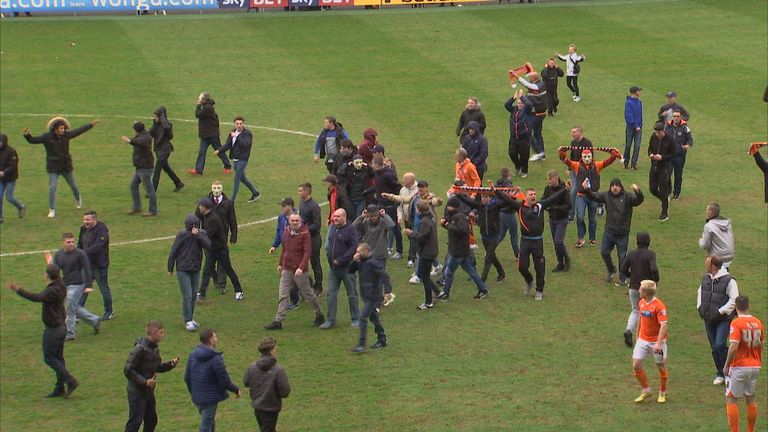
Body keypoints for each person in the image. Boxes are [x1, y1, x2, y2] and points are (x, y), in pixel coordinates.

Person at [7, 264, 79, 398]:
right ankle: (59, 387)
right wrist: (49, 261)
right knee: (58, 358)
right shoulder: (61, 284)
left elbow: (35, 297)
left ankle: (71, 381)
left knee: (50, 358)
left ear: (47, 275)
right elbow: (55, 272)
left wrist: (18, 289)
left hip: (53, 330)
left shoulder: (51, 292)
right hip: (61, 327)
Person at [494, 184, 568, 301]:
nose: (533, 196)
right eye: (531, 195)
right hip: (525, 241)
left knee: (540, 267)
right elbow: (507, 199)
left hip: (537, 241)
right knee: (522, 267)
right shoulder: (519, 206)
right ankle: (529, 281)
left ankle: (539, 290)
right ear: (526, 197)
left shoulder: (540, 205)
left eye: (534, 194)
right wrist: (496, 191)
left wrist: (565, 189)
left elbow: (553, 198)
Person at [23, 116, 99, 218]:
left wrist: (91, 125)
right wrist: (27, 135)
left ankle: (78, 198)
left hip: (66, 166)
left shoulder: (66, 135)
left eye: (64, 128)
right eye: (61, 128)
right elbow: (33, 140)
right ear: (55, 129)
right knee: (52, 188)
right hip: (53, 167)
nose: (63, 130)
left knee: (73, 186)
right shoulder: (47, 137)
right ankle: (52, 209)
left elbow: (79, 131)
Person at [264, 213, 325, 330]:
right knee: (282, 294)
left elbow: (307, 252)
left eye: (297, 220)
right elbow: (285, 248)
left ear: (300, 221)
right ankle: (278, 320)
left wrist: (301, 268)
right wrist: (281, 263)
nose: (295, 222)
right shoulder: (287, 231)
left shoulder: (304, 233)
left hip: (299, 271)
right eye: (293, 220)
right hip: (287, 269)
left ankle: (319, 314)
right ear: (289, 221)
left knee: (308, 294)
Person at [583, 179, 644, 284]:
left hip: (622, 233)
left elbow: (639, 200)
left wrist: (638, 191)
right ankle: (611, 270)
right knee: (604, 251)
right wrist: (587, 189)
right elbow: (594, 196)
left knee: (622, 257)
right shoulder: (606, 196)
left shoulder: (627, 197)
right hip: (609, 232)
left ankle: (623, 277)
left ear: (621, 187)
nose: (614, 188)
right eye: (612, 186)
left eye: (617, 186)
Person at [558, 146, 619, 247]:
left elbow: (608, 162)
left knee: (593, 218)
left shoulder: (597, 165)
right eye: (585, 156)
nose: (587, 159)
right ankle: (581, 238)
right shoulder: (577, 165)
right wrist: (561, 152)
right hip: (580, 196)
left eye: (589, 156)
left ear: (592, 157)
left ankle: (592, 238)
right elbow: (564, 160)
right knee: (580, 217)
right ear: (582, 157)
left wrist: (614, 155)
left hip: (593, 196)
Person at [124, 320, 179, 432]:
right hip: (137, 392)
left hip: (148, 391)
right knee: (135, 422)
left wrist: (170, 365)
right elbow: (128, 369)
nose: (163, 335)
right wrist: (145, 382)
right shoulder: (139, 349)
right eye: (161, 332)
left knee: (151, 420)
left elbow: (155, 367)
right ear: (153, 333)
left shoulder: (154, 349)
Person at [184, 329, 240, 432]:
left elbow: (187, 377)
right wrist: (236, 390)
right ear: (210, 340)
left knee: (209, 421)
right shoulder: (215, 359)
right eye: (215, 337)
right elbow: (224, 380)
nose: (216, 339)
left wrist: (193, 392)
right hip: (210, 399)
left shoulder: (193, 355)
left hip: (197, 397)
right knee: (206, 425)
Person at [435, 196, 488, 301]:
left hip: (458, 250)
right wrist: (445, 224)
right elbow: (452, 227)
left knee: (449, 272)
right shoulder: (454, 216)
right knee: (471, 271)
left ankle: (446, 293)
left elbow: (462, 230)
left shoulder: (459, 217)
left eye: (449, 206)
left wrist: (447, 224)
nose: (447, 208)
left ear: (454, 207)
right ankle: (483, 289)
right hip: (460, 249)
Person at [48, 232, 100, 341]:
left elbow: (87, 268)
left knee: (69, 309)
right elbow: (55, 271)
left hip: (78, 284)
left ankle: (70, 334)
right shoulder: (59, 254)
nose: (71, 244)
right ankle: (94, 320)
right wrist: (50, 264)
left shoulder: (80, 254)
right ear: (63, 243)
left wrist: (88, 285)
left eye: (72, 242)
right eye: (68, 242)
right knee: (74, 307)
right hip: (66, 285)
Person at [697, 255, 739, 386]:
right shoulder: (706, 278)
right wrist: (700, 307)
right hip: (708, 318)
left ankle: (730, 370)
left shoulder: (729, 281)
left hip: (723, 319)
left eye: (707, 263)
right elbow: (700, 292)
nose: (705, 265)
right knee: (714, 347)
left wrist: (720, 311)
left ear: (713, 266)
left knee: (719, 344)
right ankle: (721, 372)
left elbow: (734, 300)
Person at [723, 295, 763, 432]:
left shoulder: (736, 323)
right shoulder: (758, 323)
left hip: (740, 365)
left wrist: (727, 364)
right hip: (755, 366)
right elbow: (761, 344)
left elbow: (733, 347)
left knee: (731, 398)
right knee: (750, 398)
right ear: (748, 306)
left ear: (735, 307)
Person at [168, 214, 210, 331]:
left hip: (195, 268)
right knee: (188, 295)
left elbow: (208, 245)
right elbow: (174, 251)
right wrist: (170, 268)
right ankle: (187, 320)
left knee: (192, 295)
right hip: (183, 269)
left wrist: (198, 236)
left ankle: (190, 318)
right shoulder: (181, 235)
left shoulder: (201, 234)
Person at [196, 198, 244, 301]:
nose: (199, 207)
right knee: (206, 271)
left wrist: (198, 233)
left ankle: (239, 291)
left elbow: (208, 234)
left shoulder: (213, 219)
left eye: (200, 206)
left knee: (228, 270)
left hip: (221, 250)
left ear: (205, 207)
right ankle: (202, 293)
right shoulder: (207, 217)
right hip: (212, 250)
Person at [319, 209, 360, 329]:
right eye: (334, 216)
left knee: (352, 294)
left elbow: (353, 247)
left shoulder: (351, 229)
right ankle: (331, 320)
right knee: (331, 293)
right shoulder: (332, 228)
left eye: (337, 216)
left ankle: (355, 319)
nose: (335, 218)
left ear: (344, 217)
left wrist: (341, 260)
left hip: (347, 268)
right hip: (334, 269)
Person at [631, 280, 669, 404]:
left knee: (661, 366)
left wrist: (658, 343)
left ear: (646, 292)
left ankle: (662, 392)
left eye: (641, 288)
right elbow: (641, 319)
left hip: (657, 343)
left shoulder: (659, 306)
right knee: (636, 365)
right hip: (643, 340)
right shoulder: (642, 302)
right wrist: (637, 337)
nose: (638, 290)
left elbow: (664, 325)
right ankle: (646, 390)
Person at [456, 191, 506, 283]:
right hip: (484, 236)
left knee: (488, 258)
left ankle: (482, 281)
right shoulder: (479, 207)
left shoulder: (495, 206)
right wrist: (458, 193)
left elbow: (506, 201)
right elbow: (469, 202)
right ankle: (501, 273)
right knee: (492, 256)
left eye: (486, 197)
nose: (483, 199)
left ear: (490, 198)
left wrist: (503, 193)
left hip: (494, 236)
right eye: (482, 197)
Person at [243, 337, 291, 432]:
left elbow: (246, 382)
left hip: (257, 406)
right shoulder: (278, 370)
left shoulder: (252, 367)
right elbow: (285, 392)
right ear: (271, 351)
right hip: (271, 407)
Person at [621, 232, 659, 348]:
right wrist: (655, 280)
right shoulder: (651, 254)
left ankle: (629, 330)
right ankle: (647, 335)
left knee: (635, 310)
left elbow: (623, 269)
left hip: (633, 287)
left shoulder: (631, 254)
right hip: (647, 288)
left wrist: (631, 276)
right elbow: (653, 268)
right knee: (649, 311)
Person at [349, 243, 388, 353]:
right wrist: (354, 261)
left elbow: (384, 274)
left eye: (359, 252)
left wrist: (388, 290)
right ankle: (382, 338)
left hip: (372, 296)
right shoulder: (361, 261)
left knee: (362, 318)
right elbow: (350, 270)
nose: (357, 254)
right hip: (365, 295)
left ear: (366, 251)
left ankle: (362, 344)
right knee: (374, 318)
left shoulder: (373, 262)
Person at [77, 210, 114, 320]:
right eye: (84, 219)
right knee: (83, 288)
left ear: (94, 219)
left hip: (99, 265)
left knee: (103, 288)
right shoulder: (83, 229)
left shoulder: (102, 230)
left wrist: (83, 254)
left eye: (88, 219)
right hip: (87, 264)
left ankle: (109, 311)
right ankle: (78, 311)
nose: (85, 222)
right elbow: (80, 243)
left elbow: (98, 246)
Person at [216, 116, 260, 202]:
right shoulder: (232, 132)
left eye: (240, 123)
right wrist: (219, 150)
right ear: (234, 124)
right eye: (237, 124)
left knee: (236, 180)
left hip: (243, 160)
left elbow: (246, 144)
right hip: (235, 159)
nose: (239, 125)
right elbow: (228, 144)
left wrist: (237, 137)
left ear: (243, 124)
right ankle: (255, 193)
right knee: (242, 179)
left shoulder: (247, 133)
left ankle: (231, 201)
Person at [405, 200, 440, 310]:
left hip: (426, 252)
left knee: (425, 277)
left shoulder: (424, 222)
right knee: (425, 276)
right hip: (430, 251)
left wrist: (411, 233)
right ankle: (438, 292)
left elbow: (421, 237)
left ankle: (428, 302)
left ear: (418, 209)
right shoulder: (429, 219)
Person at [380, 172, 419, 267]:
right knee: (410, 237)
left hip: (415, 218)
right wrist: (400, 216)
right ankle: (417, 251)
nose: (402, 181)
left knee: (413, 237)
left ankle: (411, 259)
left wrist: (390, 196)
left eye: (405, 180)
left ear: (411, 181)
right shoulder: (403, 190)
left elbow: (405, 200)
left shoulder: (417, 190)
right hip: (406, 218)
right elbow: (400, 204)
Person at [188, 92, 231, 176]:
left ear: (204, 99)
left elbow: (198, 114)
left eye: (200, 98)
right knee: (202, 152)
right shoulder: (205, 106)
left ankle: (228, 166)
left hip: (212, 134)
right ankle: (198, 170)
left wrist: (197, 106)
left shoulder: (207, 107)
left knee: (219, 150)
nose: (198, 99)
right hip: (205, 135)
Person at [122, 121, 158, 217]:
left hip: (145, 168)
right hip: (140, 167)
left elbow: (139, 142)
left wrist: (129, 141)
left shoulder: (145, 138)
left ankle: (153, 211)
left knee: (149, 189)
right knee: (133, 186)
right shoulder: (143, 135)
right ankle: (137, 207)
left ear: (136, 130)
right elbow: (138, 141)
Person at [513, 71, 548, 161]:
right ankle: (542, 154)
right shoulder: (541, 84)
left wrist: (517, 77)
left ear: (533, 78)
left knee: (528, 132)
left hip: (536, 114)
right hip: (540, 114)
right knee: (537, 134)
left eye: (530, 78)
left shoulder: (537, 86)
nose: (529, 79)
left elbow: (528, 85)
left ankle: (539, 152)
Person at [149, 106, 184, 193]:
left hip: (165, 150)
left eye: (156, 116)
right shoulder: (155, 125)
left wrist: (162, 119)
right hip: (158, 149)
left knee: (157, 170)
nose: (154, 118)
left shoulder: (166, 125)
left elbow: (169, 133)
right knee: (166, 168)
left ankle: (152, 190)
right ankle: (178, 182)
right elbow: (150, 133)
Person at [542, 170, 571, 272]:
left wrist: (555, 208)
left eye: (550, 179)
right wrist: (548, 208)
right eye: (548, 179)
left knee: (558, 241)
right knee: (556, 242)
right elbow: (543, 201)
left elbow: (568, 205)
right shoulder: (547, 189)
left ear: (556, 178)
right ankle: (560, 264)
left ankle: (566, 259)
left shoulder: (564, 188)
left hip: (562, 219)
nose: (549, 181)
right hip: (552, 218)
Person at [299, 183, 323, 296]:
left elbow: (317, 225)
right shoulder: (302, 203)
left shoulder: (314, 206)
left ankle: (318, 287)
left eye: (300, 191)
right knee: (302, 262)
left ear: (306, 192)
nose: (298, 193)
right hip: (303, 239)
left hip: (313, 239)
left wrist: (304, 229)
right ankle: (306, 284)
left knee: (315, 263)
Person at [647, 122, 675, 221]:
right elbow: (649, 148)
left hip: (664, 168)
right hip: (654, 166)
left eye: (658, 132)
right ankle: (664, 200)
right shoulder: (653, 137)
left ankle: (664, 213)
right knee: (652, 189)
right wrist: (650, 154)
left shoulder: (670, 140)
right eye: (656, 132)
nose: (657, 134)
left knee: (663, 190)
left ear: (663, 131)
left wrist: (662, 157)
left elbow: (673, 154)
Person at [664, 111, 693, 200]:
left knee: (678, 175)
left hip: (679, 156)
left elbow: (690, 140)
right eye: (674, 116)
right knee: (667, 174)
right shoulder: (667, 127)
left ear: (680, 117)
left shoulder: (685, 128)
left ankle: (677, 193)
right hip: (669, 155)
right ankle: (668, 192)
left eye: (677, 116)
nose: (676, 118)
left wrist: (687, 146)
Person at [504, 89, 534, 177]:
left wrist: (521, 96)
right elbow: (506, 105)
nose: (520, 104)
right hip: (513, 137)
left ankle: (524, 171)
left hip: (524, 138)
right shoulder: (514, 110)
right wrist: (514, 97)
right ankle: (518, 166)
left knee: (524, 155)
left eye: (521, 103)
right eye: (519, 103)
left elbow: (529, 105)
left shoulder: (527, 111)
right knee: (512, 153)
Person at [565, 126, 593, 221]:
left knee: (590, 189)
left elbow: (590, 157)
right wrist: (569, 168)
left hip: (584, 170)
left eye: (574, 132)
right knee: (573, 191)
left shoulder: (587, 143)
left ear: (580, 132)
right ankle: (571, 214)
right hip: (574, 170)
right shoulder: (573, 143)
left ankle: (600, 204)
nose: (572, 134)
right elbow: (572, 156)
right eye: (572, 132)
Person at [0, 133, 27, 224]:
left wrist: (4, 172)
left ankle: (21, 207)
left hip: (10, 178)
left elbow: (13, 165)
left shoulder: (11, 151)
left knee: (9, 197)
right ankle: (0, 218)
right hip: (1, 178)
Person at [699, 203, 735, 269]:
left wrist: (700, 241)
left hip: (718, 257)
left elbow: (704, 245)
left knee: (713, 276)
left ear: (710, 212)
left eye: (707, 210)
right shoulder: (727, 224)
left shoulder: (708, 226)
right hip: (729, 255)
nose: (706, 212)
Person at [495, 168, 522, 258]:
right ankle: (517, 254)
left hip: (501, 213)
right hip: (509, 213)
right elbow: (512, 199)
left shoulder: (498, 184)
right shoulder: (508, 185)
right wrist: (516, 191)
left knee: (501, 234)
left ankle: (490, 250)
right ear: (508, 174)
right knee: (514, 235)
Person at [339, 155, 374, 219]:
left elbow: (374, 173)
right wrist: (346, 166)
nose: (359, 165)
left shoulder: (365, 170)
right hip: (350, 199)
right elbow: (340, 174)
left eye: (360, 162)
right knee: (352, 218)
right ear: (352, 163)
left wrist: (368, 166)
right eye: (357, 163)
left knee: (359, 218)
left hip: (361, 199)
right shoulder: (349, 170)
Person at [624, 86, 643, 170]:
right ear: (635, 92)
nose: (640, 92)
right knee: (628, 145)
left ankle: (633, 164)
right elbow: (628, 117)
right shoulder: (628, 103)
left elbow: (640, 115)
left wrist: (640, 125)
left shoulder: (639, 102)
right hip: (631, 128)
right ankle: (625, 162)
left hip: (639, 127)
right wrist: (636, 126)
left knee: (637, 146)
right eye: (639, 91)